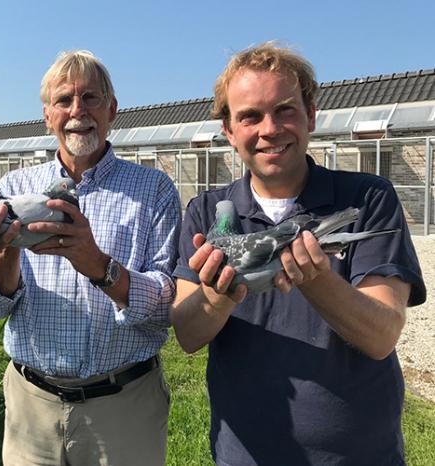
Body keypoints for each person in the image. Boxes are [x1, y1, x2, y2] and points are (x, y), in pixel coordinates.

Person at [170, 42, 426, 466]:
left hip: (359, 457)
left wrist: (317, 276)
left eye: (285, 110)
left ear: (311, 115)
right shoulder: (204, 212)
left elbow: (382, 336)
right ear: (229, 132)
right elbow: (188, 334)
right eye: (250, 116)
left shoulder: (366, 199)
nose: (269, 128)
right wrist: (219, 293)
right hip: (244, 454)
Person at [0, 50, 181, 466]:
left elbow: (168, 304)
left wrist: (98, 265)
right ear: (47, 116)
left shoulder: (153, 190)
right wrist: (3, 251)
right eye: (64, 100)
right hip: (32, 404)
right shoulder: (14, 185)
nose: (77, 111)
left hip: (124, 406)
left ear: (112, 109)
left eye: (91, 98)